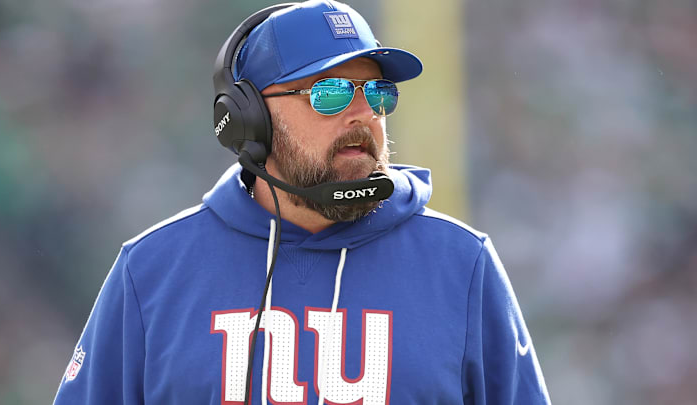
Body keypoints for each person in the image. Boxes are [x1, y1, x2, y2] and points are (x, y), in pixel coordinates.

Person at [53, 1, 551, 404]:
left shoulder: (462, 264)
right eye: (330, 92)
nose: (364, 113)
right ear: (250, 118)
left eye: (378, 93)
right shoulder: (152, 271)